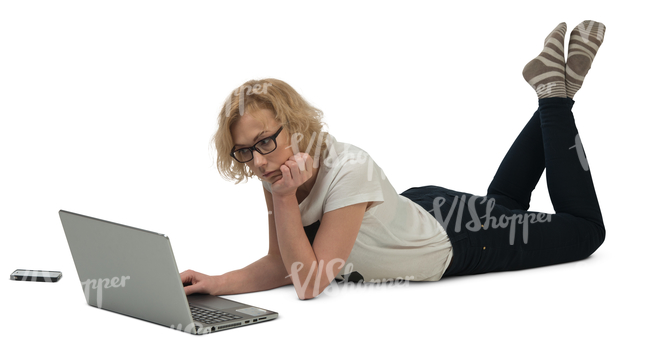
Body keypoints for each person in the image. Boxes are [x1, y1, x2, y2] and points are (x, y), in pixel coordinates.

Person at [181, 20, 606, 300]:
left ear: (292, 126)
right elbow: (283, 264)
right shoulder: (276, 168)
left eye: (264, 142)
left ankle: (554, 97)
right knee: (504, 208)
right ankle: (555, 93)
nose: (256, 161)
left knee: (586, 232)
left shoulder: (347, 168)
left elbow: (310, 283)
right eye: (244, 151)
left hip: (454, 240)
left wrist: (285, 198)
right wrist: (215, 284)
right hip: (415, 211)